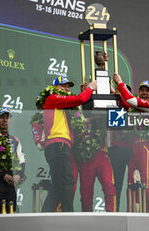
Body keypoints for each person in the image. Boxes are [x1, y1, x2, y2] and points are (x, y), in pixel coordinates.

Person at [42, 76, 97, 212]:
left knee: (58, 186)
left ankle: (44, 216)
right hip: (58, 144)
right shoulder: (53, 98)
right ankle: (68, 216)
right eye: (63, 86)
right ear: (55, 88)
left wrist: (84, 92)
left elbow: (78, 105)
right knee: (67, 182)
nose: (67, 88)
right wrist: (91, 88)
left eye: (68, 86)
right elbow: (78, 99)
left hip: (60, 145)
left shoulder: (62, 105)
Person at [113, 73, 149, 212]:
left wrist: (120, 82)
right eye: (142, 90)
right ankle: (132, 214)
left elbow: (129, 99)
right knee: (132, 184)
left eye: (147, 91)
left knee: (147, 182)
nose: (144, 93)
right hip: (135, 148)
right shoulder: (136, 108)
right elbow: (124, 101)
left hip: (148, 148)